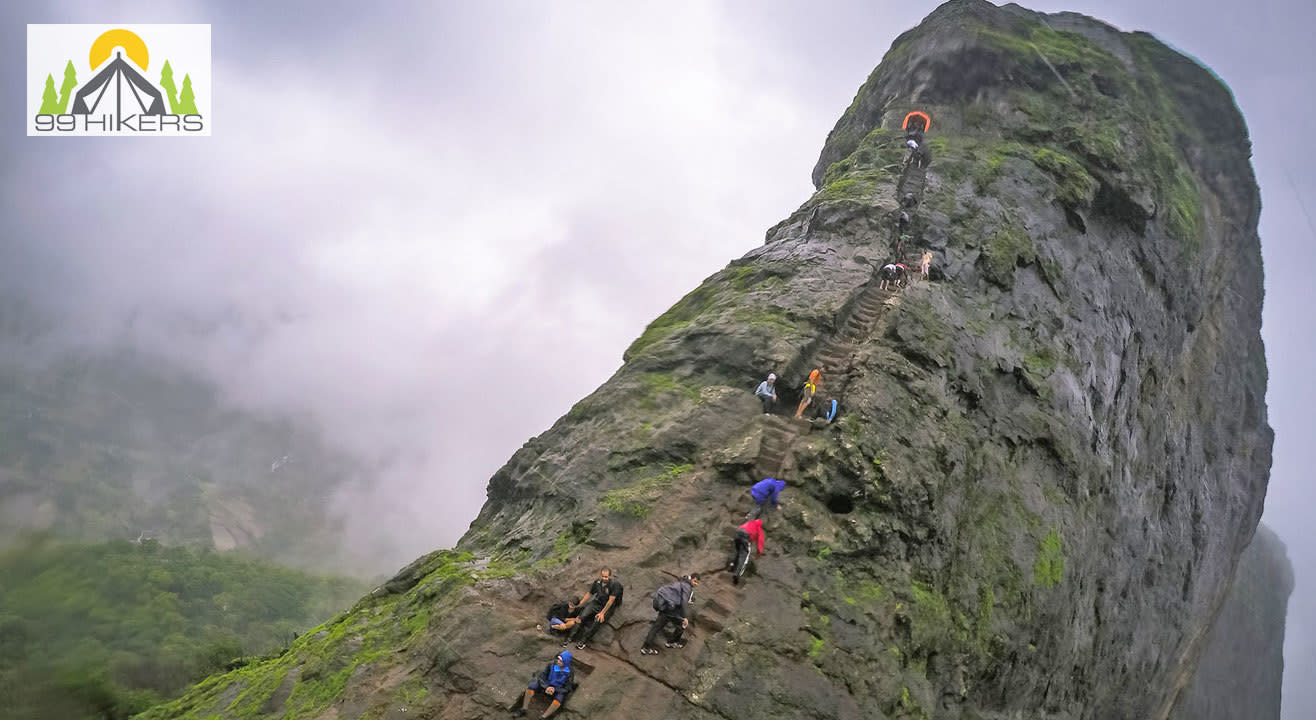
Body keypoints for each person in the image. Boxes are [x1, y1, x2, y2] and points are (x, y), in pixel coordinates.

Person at [640, 574, 699, 655]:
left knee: (656, 627)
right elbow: (683, 602)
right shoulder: (687, 587)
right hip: (671, 609)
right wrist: (685, 617)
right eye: (695, 581)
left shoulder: (678, 583)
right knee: (683, 624)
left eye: (697, 583)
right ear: (691, 579)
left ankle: (645, 648)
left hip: (664, 606)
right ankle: (672, 642)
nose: (696, 584)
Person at [568, 568, 623, 649]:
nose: (604, 579)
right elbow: (589, 594)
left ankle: (583, 641)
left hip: (608, 606)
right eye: (603, 576)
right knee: (582, 615)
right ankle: (570, 637)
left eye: (606, 577)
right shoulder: (597, 582)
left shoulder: (615, 585)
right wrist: (580, 604)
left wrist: (602, 613)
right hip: (597, 602)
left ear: (609, 576)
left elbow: (611, 600)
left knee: (597, 620)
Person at [513, 650, 574, 718]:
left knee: (558, 700)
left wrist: (554, 689)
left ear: (565, 662)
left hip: (557, 690)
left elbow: (567, 687)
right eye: (558, 659)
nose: (558, 661)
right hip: (546, 684)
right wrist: (547, 686)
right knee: (531, 687)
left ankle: (543, 717)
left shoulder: (570, 672)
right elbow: (542, 676)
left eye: (561, 661)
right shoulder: (551, 664)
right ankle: (524, 709)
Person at [726, 518, 766, 585]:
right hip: (746, 537)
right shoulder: (759, 528)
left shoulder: (750, 522)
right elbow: (760, 542)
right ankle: (737, 574)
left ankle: (731, 565)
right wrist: (759, 553)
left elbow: (741, 527)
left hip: (738, 533)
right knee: (743, 557)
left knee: (736, 551)